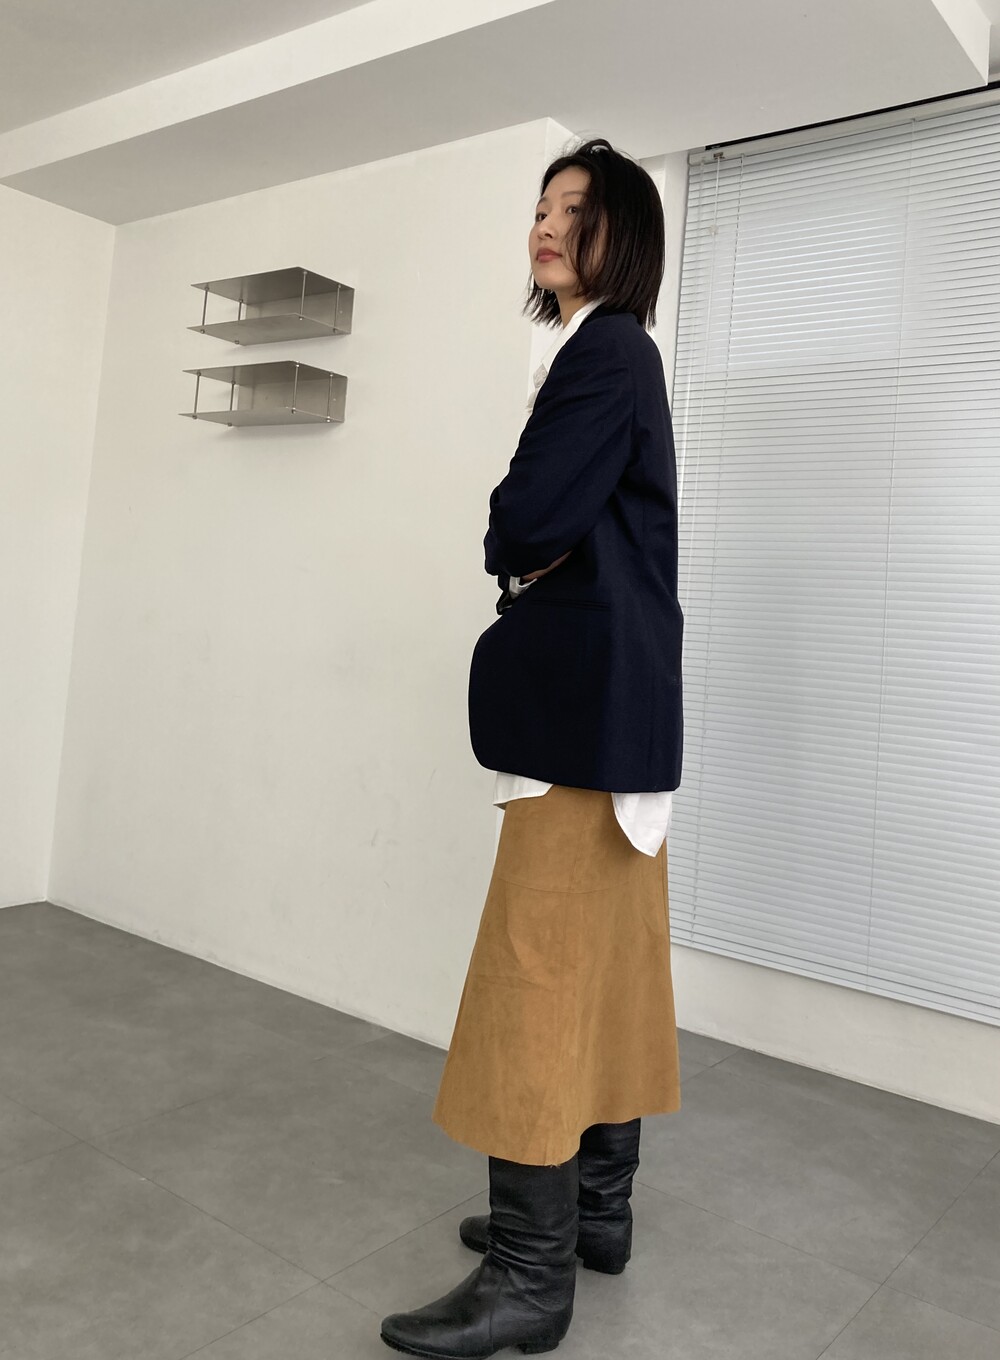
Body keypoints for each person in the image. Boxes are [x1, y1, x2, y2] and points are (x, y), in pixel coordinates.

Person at [381, 137, 684, 1358]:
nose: (547, 225)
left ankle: (526, 1276)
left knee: (536, 978)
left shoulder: (603, 351)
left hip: (581, 720)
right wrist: (528, 536)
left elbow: (524, 517)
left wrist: (511, 535)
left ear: (624, 235)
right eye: (542, 207)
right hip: (620, 718)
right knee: (608, 971)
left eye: (576, 210)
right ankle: (593, 1216)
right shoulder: (615, 352)